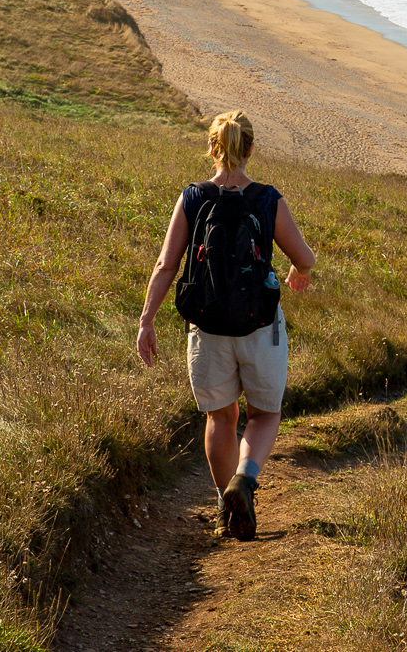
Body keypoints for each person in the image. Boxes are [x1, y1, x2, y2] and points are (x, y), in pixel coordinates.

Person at [137, 110, 316, 541]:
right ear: (250, 148)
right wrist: (298, 272)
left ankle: (226, 505)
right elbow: (305, 257)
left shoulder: (193, 198)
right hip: (260, 327)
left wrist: (147, 322)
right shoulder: (268, 199)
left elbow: (166, 265)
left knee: (221, 417)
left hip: (208, 327)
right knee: (264, 413)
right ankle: (245, 480)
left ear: (213, 148)